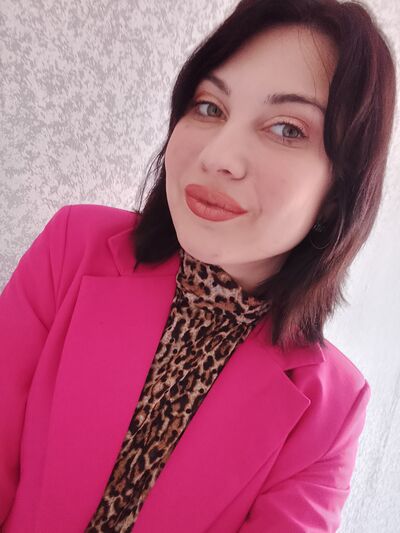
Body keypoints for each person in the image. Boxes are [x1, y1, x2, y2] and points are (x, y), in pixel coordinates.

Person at [0, 0, 396, 531]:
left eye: (286, 129)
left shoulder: (330, 409)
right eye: (209, 106)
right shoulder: (74, 248)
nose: (217, 157)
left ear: (337, 193)